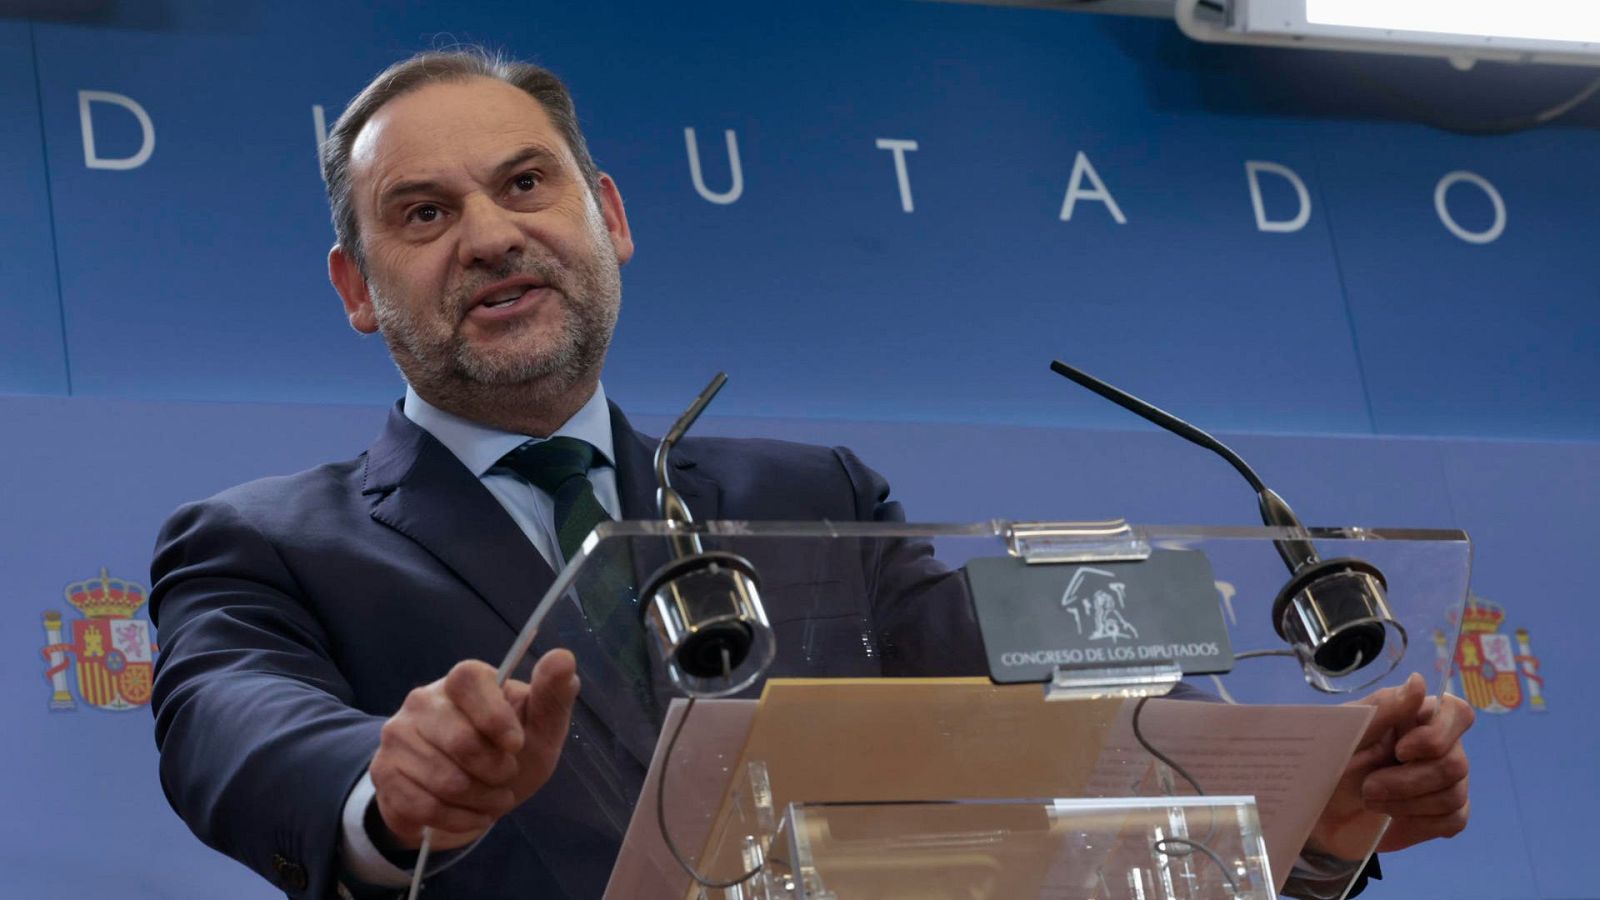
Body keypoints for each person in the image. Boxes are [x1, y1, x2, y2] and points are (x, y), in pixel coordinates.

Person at [149, 49, 1473, 900]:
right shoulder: (263, 544)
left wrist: (1312, 820)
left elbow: (1058, 718)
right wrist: (388, 789)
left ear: (609, 217)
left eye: (526, 185)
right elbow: (234, 724)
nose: (491, 236)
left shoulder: (816, 501)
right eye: (425, 213)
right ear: (357, 290)